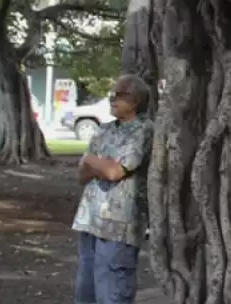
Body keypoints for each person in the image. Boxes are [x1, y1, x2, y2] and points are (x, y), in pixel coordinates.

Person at [73, 75, 155, 304]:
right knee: (85, 290)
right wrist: (98, 163)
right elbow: (81, 174)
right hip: (89, 219)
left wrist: (92, 161)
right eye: (112, 94)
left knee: (112, 292)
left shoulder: (144, 130)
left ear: (136, 100)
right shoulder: (104, 130)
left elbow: (115, 172)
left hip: (119, 225)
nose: (112, 99)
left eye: (120, 94)